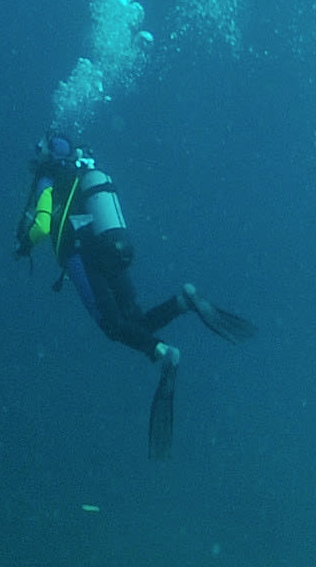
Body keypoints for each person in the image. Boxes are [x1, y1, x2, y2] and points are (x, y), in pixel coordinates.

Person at [16, 133, 256, 457]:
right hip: (109, 248)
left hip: (80, 255)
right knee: (134, 320)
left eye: (39, 146)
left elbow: (44, 226)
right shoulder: (83, 173)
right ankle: (183, 301)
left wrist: (25, 244)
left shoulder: (50, 178)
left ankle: (163, 353)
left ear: (48, 152)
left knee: (113, 326)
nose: (36, 151)